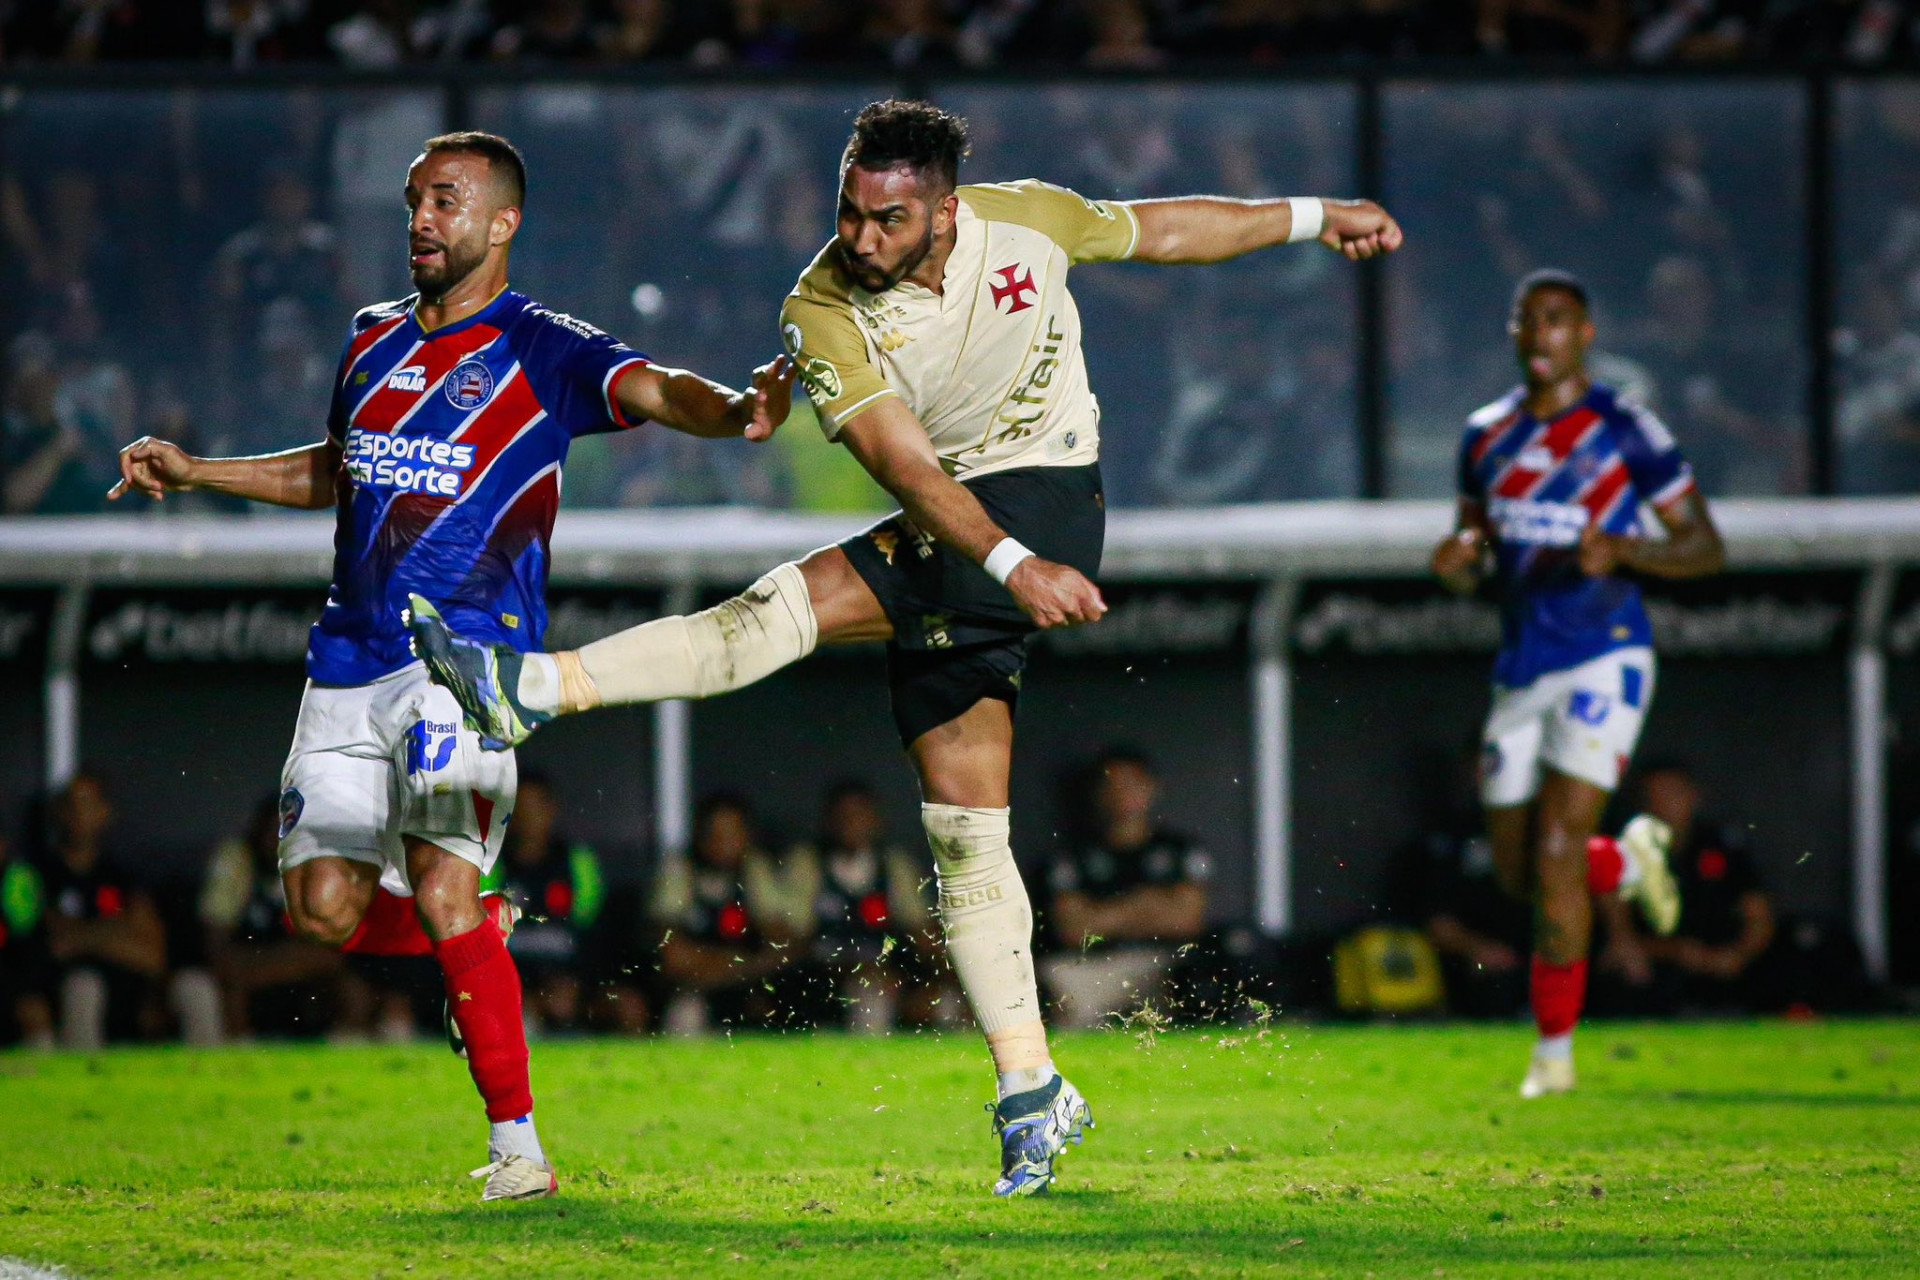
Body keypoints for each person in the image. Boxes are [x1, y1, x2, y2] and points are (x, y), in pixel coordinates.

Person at [409, 97, 1402, 1196]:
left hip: (1045, 501)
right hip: (970, 530)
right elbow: (906, 469)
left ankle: (538, 687)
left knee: (783, 607)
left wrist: (1316, 214)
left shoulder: (1026, 220)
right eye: (850, 213)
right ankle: (1032, 1088)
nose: (862, 238)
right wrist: (1009, 567)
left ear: (944, 211)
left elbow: (1164, 230)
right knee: (965, 832)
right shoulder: (818, 306)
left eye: (889, 219)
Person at [108, 130, 793, 1202]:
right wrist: (200, 472)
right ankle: (482, 926)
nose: (421, 220)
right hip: (346, 661)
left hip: (465, 662)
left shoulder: (542, 346)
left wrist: (738, 411)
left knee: (438, 883)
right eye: (414, 201)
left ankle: (519, 1149)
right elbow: (337, 470)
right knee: (322, 908)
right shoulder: (369, 336)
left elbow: (659, 389)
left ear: (502, 222)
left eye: (446, 201)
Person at [1430, 268, 1725, 1099]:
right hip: (1523, 664)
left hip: (1606, 651)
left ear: (1585, 333)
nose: (1541, 334)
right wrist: (1455, 566)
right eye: (1528, 320)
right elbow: (1473, 553)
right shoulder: (1485, 434)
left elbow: (1706, 547)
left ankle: (1553, 1058)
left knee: (1557, 851)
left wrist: (1627, 549)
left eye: (1557, 319)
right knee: (1520, 874)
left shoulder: (1626, 430)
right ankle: (1625, 861)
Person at [1042, 748, 1209, 1029]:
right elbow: (1074, 930)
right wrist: (1146, 904)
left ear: (1151, 788)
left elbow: (1186, 921)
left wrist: (1103, 914)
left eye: (1132, 784)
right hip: (1097, 966)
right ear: (1097, 793)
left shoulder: (1179, 851)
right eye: (1113, 785)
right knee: (1055, 981)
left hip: (1162, 964)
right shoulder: (1072, 856)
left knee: (1201, 977)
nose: (1123, 793)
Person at [1596, 760, 1779, 1013]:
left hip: (1718, 963)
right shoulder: (1627, 848)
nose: (1663, 805)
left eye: (1672, 794)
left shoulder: (1722, 845)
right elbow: (1615, 927)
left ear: (1694, 796)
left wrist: (1738, 955)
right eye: (1653, 796)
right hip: (1653, 967)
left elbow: (1758, 916)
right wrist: (1675, 952)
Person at [482, 772, 639, 1034]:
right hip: (514, 982)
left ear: (551, 810)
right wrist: (529, 989)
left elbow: (596, 935)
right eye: (520, 809)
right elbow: (482, 940)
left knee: (628, 1007)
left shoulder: (578, 863)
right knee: (514, 1011)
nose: (528, 818)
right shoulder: (490, 867)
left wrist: (576, 983)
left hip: (575, 982)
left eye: (535, 808)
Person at [649, 792, 816, 1033]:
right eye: (713, 834)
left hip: (749, 988)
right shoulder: (680, 871)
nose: (722, 843)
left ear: (747, 836)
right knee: (685, 1011)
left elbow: (785, 945)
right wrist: (741, 964)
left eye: (731, 834)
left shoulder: (756, 870)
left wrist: (733, 967)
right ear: (698, 836)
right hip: (696, 990)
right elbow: (673, 958)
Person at [792, 779, 943, 1033]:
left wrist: (932, 979)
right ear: (828, 821)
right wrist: (849, 969)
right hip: (821, 978)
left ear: (876, 820)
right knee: (864, 994)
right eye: (843, 816)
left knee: (938, 1001)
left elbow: (921, 932)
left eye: (859, 815)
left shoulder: (894, 866)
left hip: (887, 975)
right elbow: (791, 938)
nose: (851, 823)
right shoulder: (807, 863)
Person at [36, 771, 170, 1049]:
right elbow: (54, 943)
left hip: (125, 999)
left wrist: (83, 935)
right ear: (58, 813)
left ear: (104, 812)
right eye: (70, 805)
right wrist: (117, 928)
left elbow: (152, 956)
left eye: (87, 804)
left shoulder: (123, 878)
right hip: (61, 997)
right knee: (84, 985)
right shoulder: (38, 874)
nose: (78, 814)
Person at [199, 794, 348, 1040]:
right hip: (247, 965)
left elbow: (328, 950)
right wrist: (265, 966)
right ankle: (241, 1054)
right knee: (229, 980)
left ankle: (339, 1051)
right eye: (274, 830)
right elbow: (216, 946)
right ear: (259, 830)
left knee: (346, 979)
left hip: (295, 968)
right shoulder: (236, 859)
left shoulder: (315, 864)